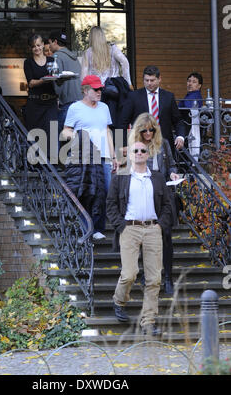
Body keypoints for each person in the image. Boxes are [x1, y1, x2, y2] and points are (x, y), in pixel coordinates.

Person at [106, 141, 172, 336]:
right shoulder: (121, 177)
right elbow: (110, 204)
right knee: (130, 273)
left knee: (154, 278)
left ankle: (148, 321)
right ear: (130, 154)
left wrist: (160, 225)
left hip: (153, 229)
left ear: (148, 154)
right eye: (135, 150)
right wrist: (121, 225)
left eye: (143, 150)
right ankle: (119, 301)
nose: (140, 153)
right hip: (130, 229)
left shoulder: (158, 178)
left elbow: (168, 206)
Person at [128, 113, 180, 294]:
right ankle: (147, 274)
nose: (148, 133)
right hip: (143, 194)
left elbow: (172, 164)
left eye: (152, 130)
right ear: (139, 131)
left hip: (163, 193)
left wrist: (173, 173)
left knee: (166, 237)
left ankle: (168, 278)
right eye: (145, 130)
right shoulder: (135, 147)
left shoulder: (163, 144)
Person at [61, 75, 118, 240]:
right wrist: (78, 138)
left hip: (104, 156)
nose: (99, 92)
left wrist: (113, 156)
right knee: (86, 192)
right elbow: (66, 130)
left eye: (100, 89)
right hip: (83, 157)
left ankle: (98, 228)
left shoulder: (104, 107)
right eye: (96, 89)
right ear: (85, 90)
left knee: (105, 192)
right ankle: (87, 228)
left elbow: (107, 131)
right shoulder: (75, 108)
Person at [120, 65, 185, 155]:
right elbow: (123, 121)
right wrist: (122, 144)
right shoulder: (133, 97)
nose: (149, 83)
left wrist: (180, 136)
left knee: (163, 169)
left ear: (159, 79)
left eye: (152, 80)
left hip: (163, 144)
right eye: (146, 80)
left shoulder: (168, 97)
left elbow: (178, 120)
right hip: (140, 144)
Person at [23, 34, 58, 160]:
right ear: (30, 48)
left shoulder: (52, 60)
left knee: (52, 131)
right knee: (35, 132)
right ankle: (34, 162)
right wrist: (44, 80)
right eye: (33, 47)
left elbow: (56, 78)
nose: (36, 48)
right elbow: (31, 82)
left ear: (43, 44)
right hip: (35, 103)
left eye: (38, 45)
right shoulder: (28, 62)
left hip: (51, 102)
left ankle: (51, 162)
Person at [48, 30, 82, 135]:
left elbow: (56, 80)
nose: (49, 46)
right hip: (80, 100)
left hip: (67, 102)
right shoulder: (74, 58)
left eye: (49, 43)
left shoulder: (57, 57)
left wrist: (57, 97)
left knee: (59, 135)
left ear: (55, 42)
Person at [178, 72, 203, 161]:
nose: (190, 84)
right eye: (189, 81)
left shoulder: (195, 95)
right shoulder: (189, 95)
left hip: (188, 127)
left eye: (194, 82)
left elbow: (188, 107)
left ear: (199, 85)